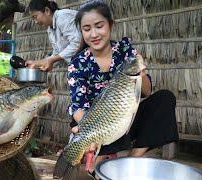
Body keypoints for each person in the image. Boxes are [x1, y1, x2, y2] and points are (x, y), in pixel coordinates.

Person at [68, 1, 179, 178]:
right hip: (94, 124)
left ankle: (131, 159)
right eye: (87, 29)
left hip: (126, 115)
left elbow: (146, 92)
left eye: (99, 26)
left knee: (165, 98)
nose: (94, 34)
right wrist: (87, 132)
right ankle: (95, 157)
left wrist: (140, 74)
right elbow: (78, 107)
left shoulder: (125, 49)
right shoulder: (77, 63)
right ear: (81, 32)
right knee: (88, 154)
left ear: (110, 25)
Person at [25, 0, 81, 71]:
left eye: (35, 17)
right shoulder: (50, 30)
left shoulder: (63, 17)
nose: (35, 22)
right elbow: (57, 53)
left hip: (93, 62)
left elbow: (77, 43)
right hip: (79, 67)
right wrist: (37, 63)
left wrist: (52, 60)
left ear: (47, 10)